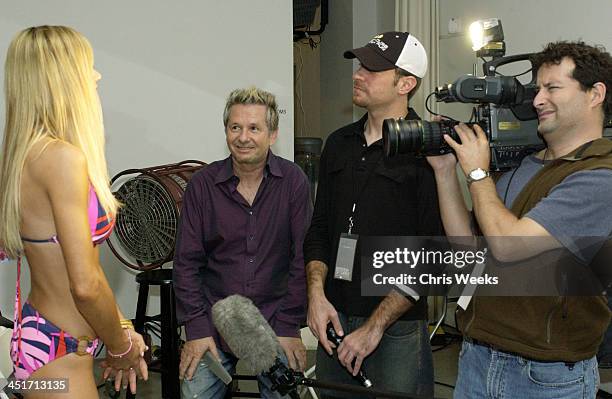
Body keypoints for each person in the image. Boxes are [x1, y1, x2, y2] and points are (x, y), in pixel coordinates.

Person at [427, 41, 612, 398]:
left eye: (552, 88)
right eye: (537, 89)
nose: (538, 100)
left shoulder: (600, 176)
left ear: (595, 94)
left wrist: (478, 175)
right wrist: (446, 172)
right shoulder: (523, 167)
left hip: (547, 374)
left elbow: (509, 246)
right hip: (479, 357)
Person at [0, 26, 148, 397]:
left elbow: (85, 271)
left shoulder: (22, 156)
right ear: (62, 79)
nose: (96, 76)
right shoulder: (62, 159)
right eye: (88, 67)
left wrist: (119, 328)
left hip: (41, 340)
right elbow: (84, 285)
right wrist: (122, 347)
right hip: (58, 354)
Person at [303, 32, 443, 398]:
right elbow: (319, 229)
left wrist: (375, 327)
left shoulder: (427, 150)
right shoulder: (338, 143)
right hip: (334, 317)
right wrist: (316, 297)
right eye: (360, 64)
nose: (358, 74)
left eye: (373, 68)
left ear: (406, 84)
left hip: (395, 326)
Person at [173, 87, 312, 399]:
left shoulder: (293, 183)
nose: (243, 137)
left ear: (273, 134)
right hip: (213, 320)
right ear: (226, 131)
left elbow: (301, 260)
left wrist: (289, 327)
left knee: (287, 395)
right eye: (235, 127)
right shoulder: (202, 186)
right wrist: (196, 330)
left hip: (274, 318)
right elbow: (186, 264)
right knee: (195, 393)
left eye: (254, 128)